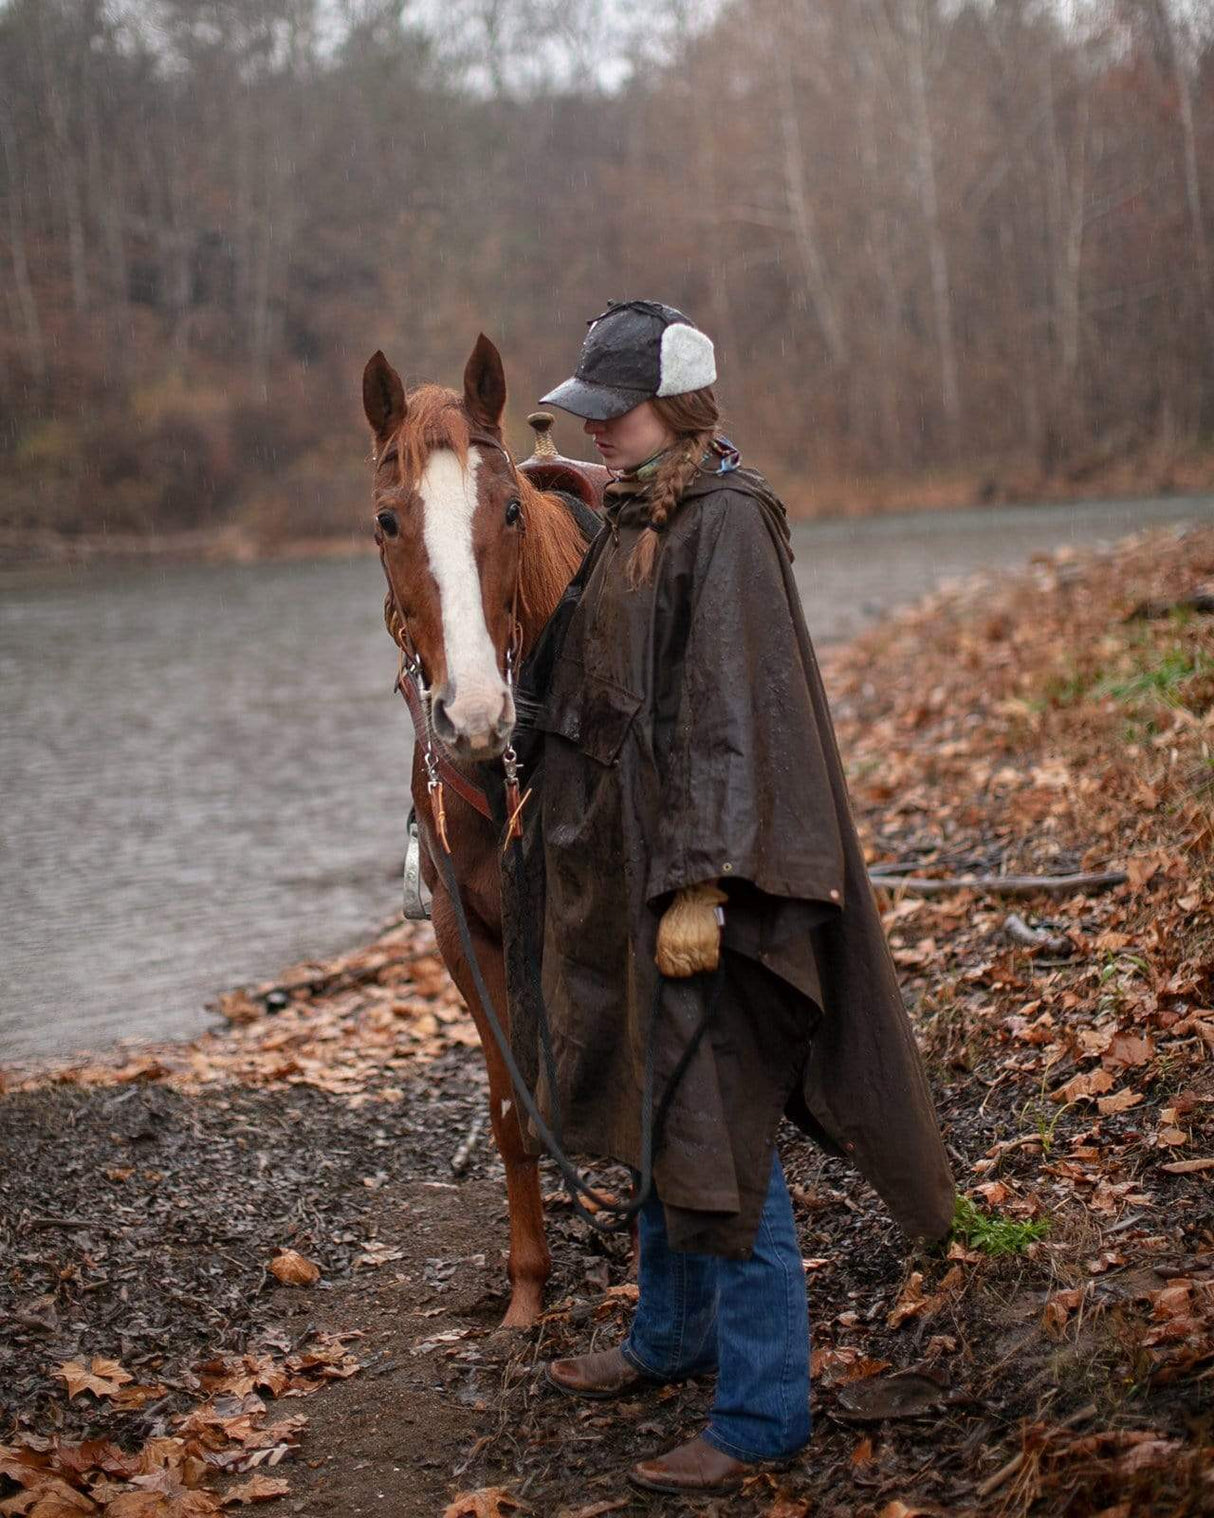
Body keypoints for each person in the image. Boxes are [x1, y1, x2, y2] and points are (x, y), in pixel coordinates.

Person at [520, 300, 954, 1496]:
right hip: (636, 872)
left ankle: (762, 1410)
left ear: (681, 410)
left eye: (615, 414)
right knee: (662, 1116)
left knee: (725, 1134)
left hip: (715, 884)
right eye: (590, 415)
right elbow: (593, 684)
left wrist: (702, 885)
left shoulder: (728, 526)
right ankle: (670, 1339)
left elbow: (728, 716)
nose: (598, 431)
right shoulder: (639, 513)